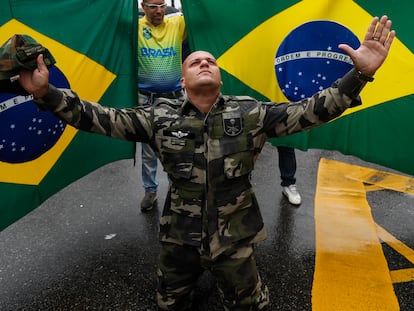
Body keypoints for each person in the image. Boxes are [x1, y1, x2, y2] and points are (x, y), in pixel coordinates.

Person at [17, 15, 394, 310]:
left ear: (219, 78)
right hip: (179, 235)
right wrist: (46, 93)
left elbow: (313, 110)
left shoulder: (251, 111)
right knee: (169, 303)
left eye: (210, 61)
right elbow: (95, 116)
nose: (205, 62)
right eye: (196, 61)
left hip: (235, 236)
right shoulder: (159, 116)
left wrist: (361, 74)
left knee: (251, 305)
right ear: (182, 81)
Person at [138, 0, 186, 211]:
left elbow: (202, 12)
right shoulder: (135, 28)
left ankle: (180, 190)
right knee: (148, 149)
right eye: (153, 6)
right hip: (145, 99)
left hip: (174, 98)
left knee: (178, 145)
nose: (159, 11)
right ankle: (150, 191)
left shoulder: (176, 23)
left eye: (162, 5)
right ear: (143, 5)